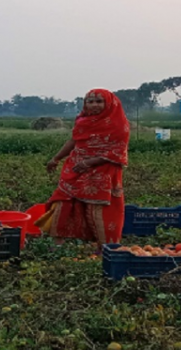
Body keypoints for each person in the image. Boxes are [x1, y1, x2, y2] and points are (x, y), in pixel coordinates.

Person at [34, 89, 130, 253]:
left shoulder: (118, 124)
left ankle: (104, 247)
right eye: (90, 101)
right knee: (63, 200)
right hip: (75, 168)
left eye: (99, 101)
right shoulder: (82, 121)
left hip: (102, 170)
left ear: (109, 104)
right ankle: (58, 242)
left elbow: (118, 151)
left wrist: (90, 162)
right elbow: (74, 141)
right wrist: (56, 158)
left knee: (97, 208)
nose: (94, 105)